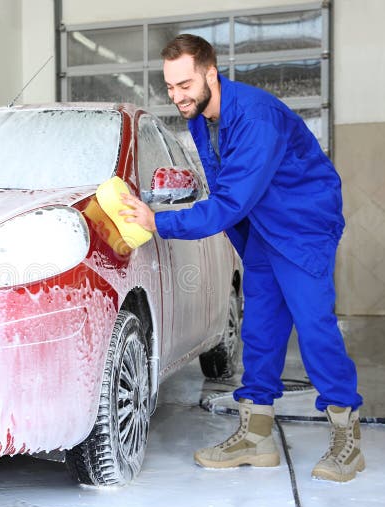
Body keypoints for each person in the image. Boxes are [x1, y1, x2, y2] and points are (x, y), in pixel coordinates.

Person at [120, 34, 364, 482]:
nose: (177, 96)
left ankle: (347, 439)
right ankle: (256, 438)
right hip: (263, 230)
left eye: (185, 84)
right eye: (170, 87)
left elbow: (230, 201)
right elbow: (230, 192)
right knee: (260, 330)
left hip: (302, 227)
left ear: (211, 73)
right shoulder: (201, 119)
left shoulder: (255, 117)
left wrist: (158, 221)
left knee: (313, 328)